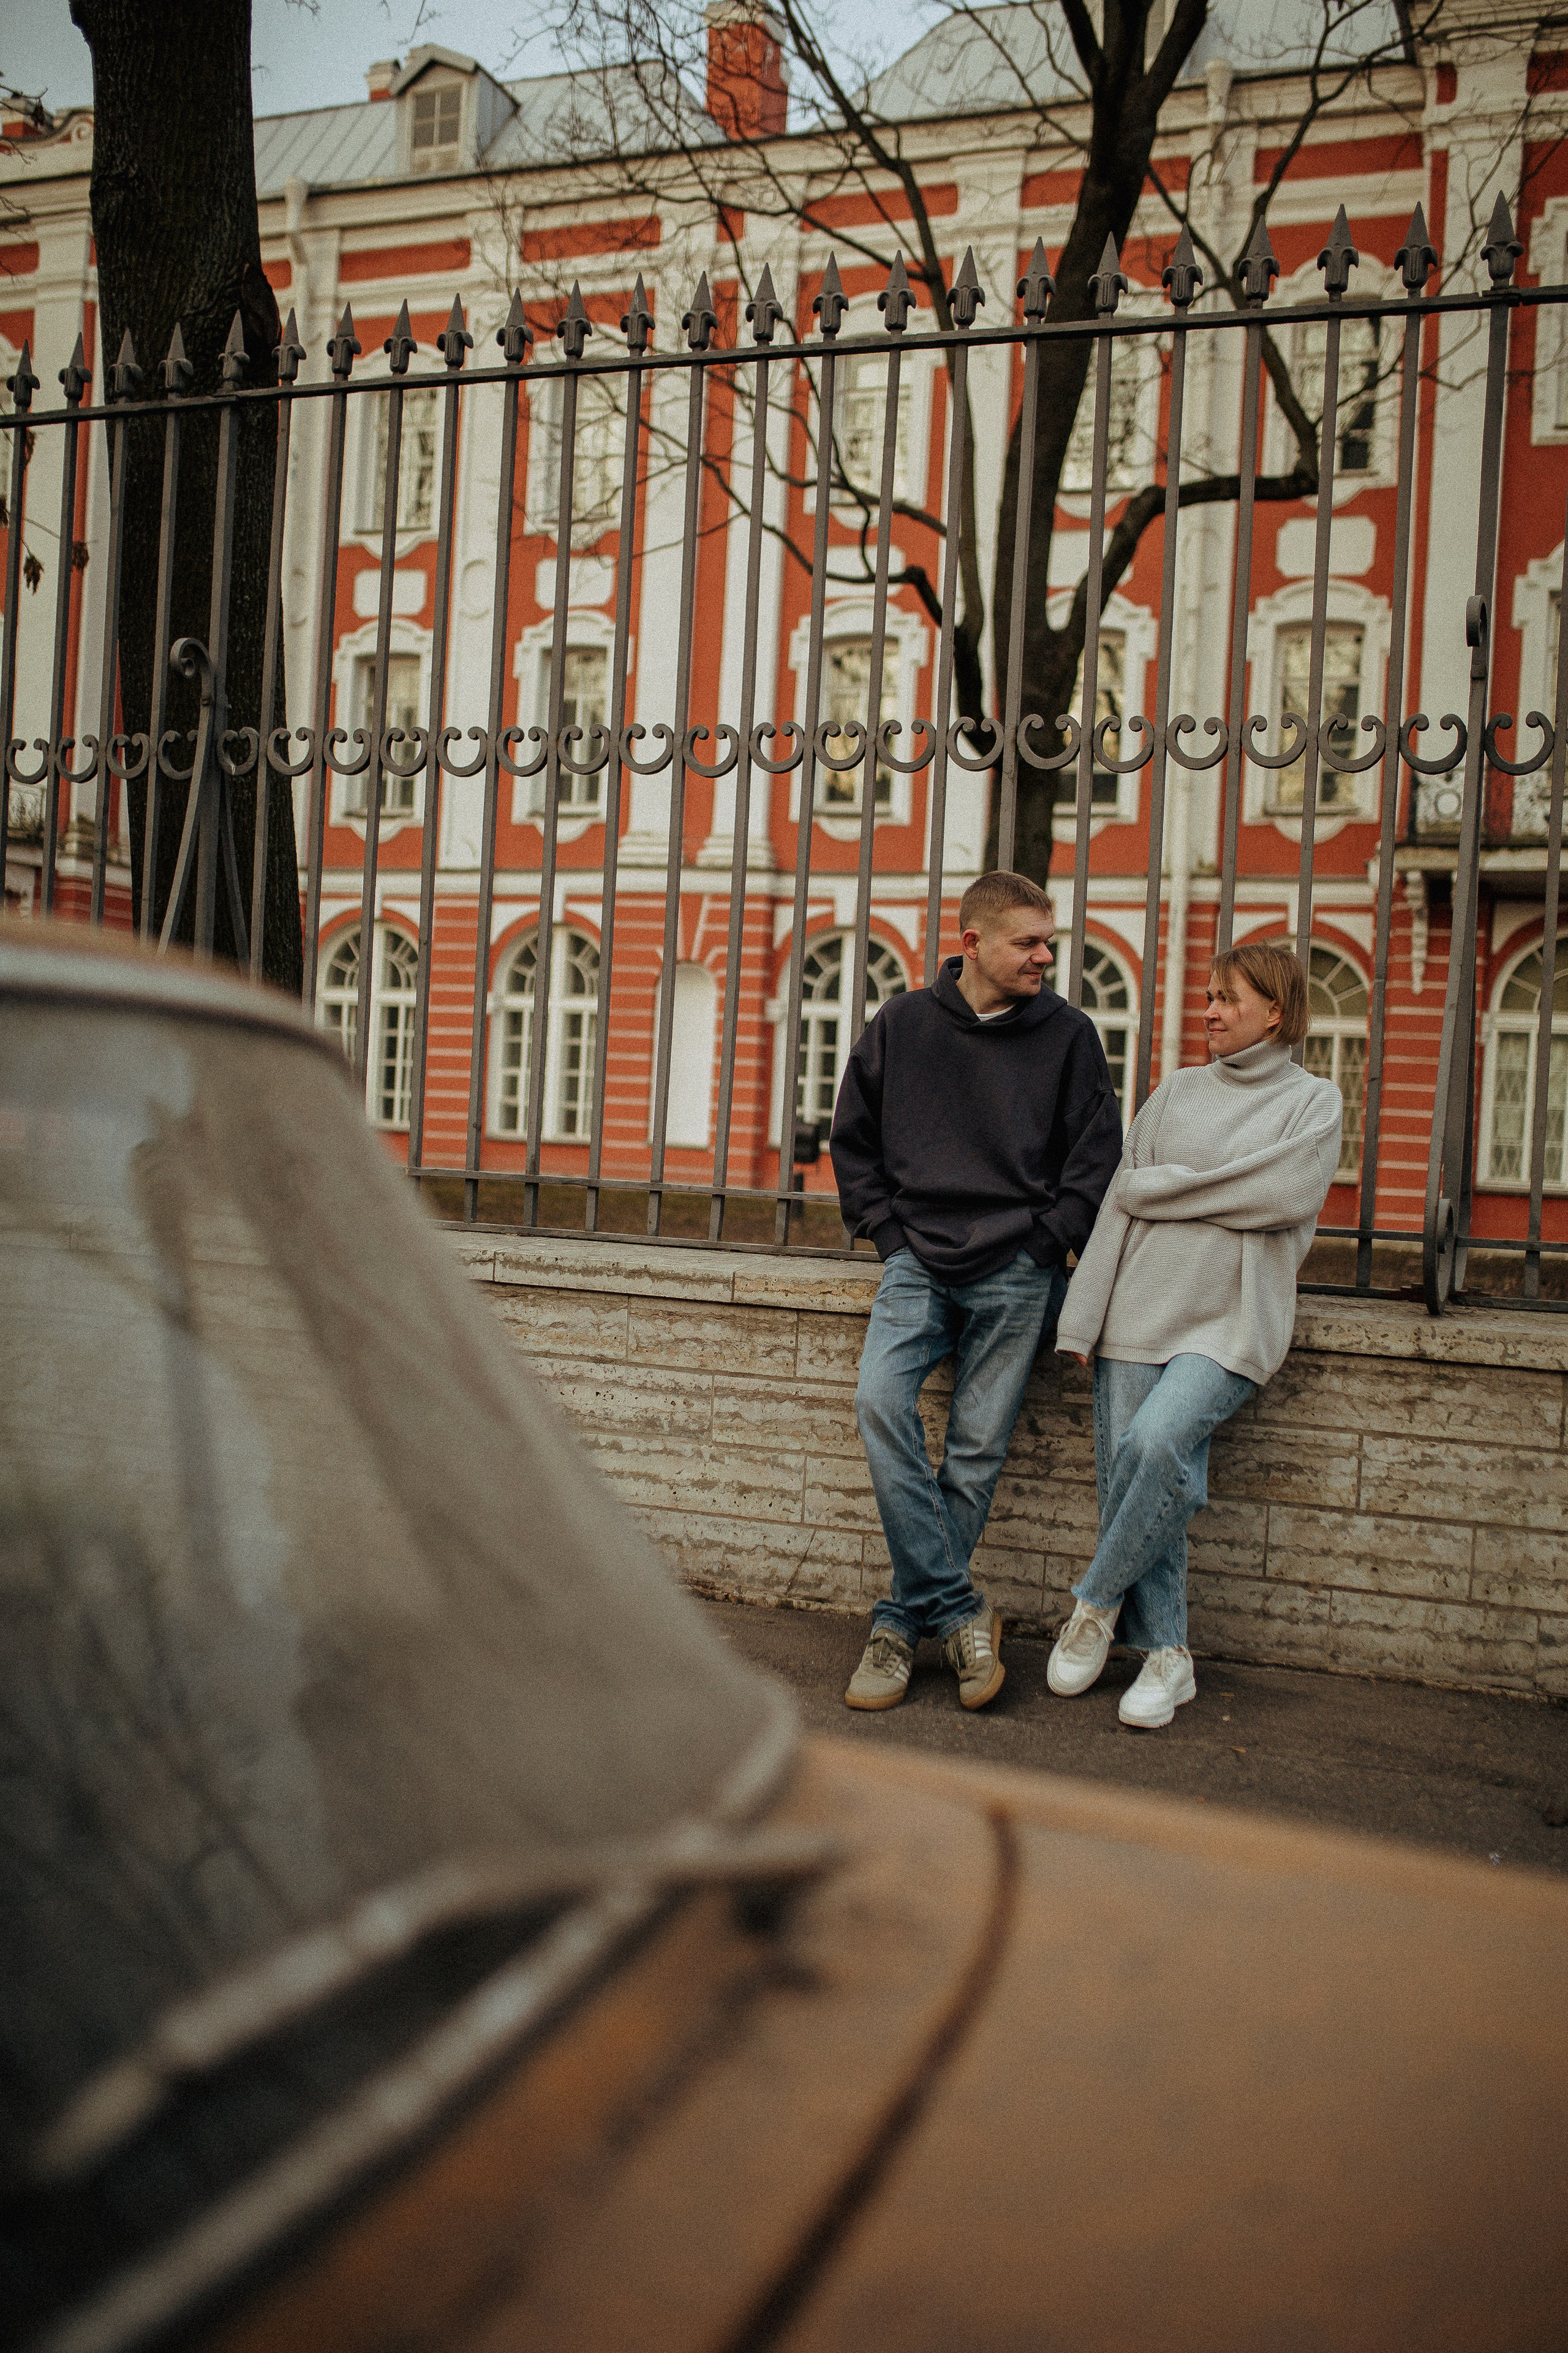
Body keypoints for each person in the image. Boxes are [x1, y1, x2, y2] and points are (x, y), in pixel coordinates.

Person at [829, 872, 1123, 1713]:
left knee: (974, 1453)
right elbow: (854, 1141)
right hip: (918, 1260)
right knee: (878, 1403)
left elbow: (1096, 1157)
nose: (1045, 954)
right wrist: (890, 1237)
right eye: (1028, 941)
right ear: (972, 943)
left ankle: (895, 1625)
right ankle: (957, 1608)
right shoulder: (903, 1025)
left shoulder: (1068, 1035)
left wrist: (1044, 1242)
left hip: (1019, 1269)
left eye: (1048, 941)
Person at [1049, 940, 1343, 1728]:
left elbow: (1280, 1193)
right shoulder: (1175, 1092)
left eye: (1227, 999)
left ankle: (1094, 1603)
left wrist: (1162, 1187)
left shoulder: (1314, 1103)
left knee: (1154, 1446)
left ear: (1276, 1012)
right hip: (1135, 1312)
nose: (1207, 1011)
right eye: (1207, 997)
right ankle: (1166, 1657)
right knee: (1133, 1475)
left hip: (1233, 1321)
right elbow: (1119, 1203)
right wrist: (1082, 1317)